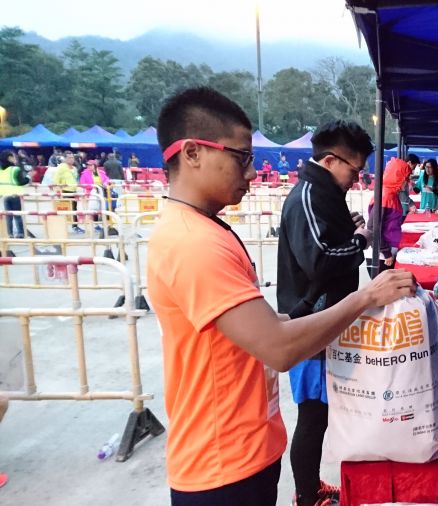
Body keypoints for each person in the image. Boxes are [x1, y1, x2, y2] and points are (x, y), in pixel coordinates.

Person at [148, 87, 414, 506]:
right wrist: (365, 299)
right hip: (222, 463)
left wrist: (299, 320)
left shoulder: (206, 230)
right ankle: (308, 493)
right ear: (193, 153)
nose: (253, 173)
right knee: (313, 414)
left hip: (244, 448)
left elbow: (260, 327)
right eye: (241, 157)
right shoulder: (193, 244)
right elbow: (278, 348)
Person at [276, 120, 375, 506]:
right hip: (310, 325)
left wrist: (349, 231)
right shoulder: (308, 195)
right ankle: (307, 495)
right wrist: (359, 241)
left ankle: (311, 486)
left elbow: (326, 243)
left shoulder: (326, 192)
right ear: (331, 160)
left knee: (320, 413)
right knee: (312, 417)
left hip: (327, 320)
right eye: (355, 169)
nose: (357, 178)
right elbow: (319, 259)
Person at [367, 157, 411, 271]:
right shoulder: (385, 196)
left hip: (388, 250)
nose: (407, 182)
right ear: (397, 178)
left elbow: (391, 221)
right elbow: (373, 227)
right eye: (406, 178)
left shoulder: (392, 194)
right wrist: (386, 252)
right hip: (382, 255)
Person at [0, 150, 29, 238]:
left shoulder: (1, 170)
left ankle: (10, 234)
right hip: (15, 195)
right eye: (13, 157)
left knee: (8, 216)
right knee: (17, 215)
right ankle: (20, 233)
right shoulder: (15, 169)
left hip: (4, 195)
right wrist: (28, 177)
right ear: (9, 158)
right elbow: (20, 182)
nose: (15, 158)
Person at [54, 153, 84, 234]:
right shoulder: (61, 167)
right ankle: (62, 227)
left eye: (72, 157)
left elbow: (75, 179)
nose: (72, 159)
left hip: (73, 190)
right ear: (65, 158)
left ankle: (75, 226)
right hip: (65, 191)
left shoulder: (74, 168)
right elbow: (56, 179)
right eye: (69, 158)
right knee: (65, 209)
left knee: (74, 209)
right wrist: (58, 189)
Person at [79, 160, 110, 233]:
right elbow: (82, 184)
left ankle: (101, 224)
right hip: (91, 193)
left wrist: (104, 184)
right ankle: (94, 225)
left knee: (102, 208)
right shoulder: (84, 174)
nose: (89, 166)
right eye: (88, 165)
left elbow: (107, 179)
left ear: (95, 166)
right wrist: (93, 186)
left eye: (91, 165)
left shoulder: (101, 172)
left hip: (101, 192)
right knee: (92, 209)